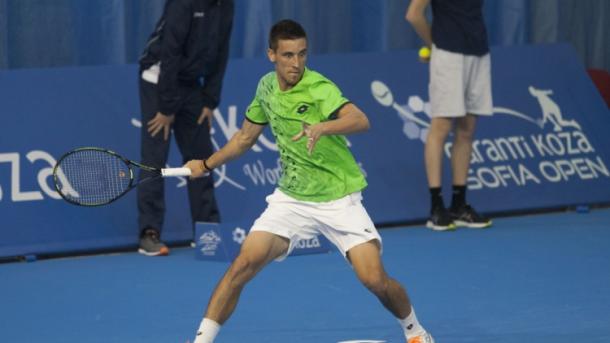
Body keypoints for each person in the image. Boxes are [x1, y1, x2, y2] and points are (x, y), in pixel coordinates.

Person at [184, 19, 434, 343]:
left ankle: (415, 331)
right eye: (288, 55)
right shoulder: (266, 87)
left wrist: (321, 127)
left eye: (302, 54)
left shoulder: (319, 87)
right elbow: (245, 138)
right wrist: (206, 163)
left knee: (373, 279)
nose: (296, 63)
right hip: (292, 199)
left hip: (338, 198)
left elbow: (360, 119)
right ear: (271, 54)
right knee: (243, 264)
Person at [137, 0, 233, 255]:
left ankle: (207, 234)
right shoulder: (183, 3)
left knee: (201, 158)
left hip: (191, 83)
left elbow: (221, 50)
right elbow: (171, 51)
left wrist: (210, 100)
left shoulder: (226, 5)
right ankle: (150, 233)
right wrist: (166, 108)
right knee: (154, 159)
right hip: (159, 79)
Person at [406, 0, 493, 231]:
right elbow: (414, 15)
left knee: (466, 131)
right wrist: (434, 46)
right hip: (448, 55)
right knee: (440, 129)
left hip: (478, 52)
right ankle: (436, 207)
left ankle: (459, 205)